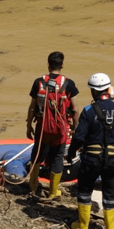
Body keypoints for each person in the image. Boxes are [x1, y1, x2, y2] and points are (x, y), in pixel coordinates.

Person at [66, 73, 114, 229]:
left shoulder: (89, 111)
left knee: (84, 190)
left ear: (93, 91)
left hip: (90, 160)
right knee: (110, 192)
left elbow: (79, 137)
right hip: (113, 160)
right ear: (108, 88)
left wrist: (71, 152)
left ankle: (83, 226)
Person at [25, 52, 79, 199]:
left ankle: (33, 186)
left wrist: (29, 126)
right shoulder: (69, 84)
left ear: (48, 65)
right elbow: (74, 110)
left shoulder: (38, 82)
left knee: (37, 155)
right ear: (62, 65)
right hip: (60, 129)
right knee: (57, 157)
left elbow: (32, 107)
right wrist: (75, 128)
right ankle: (53, 192)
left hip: (42, 127)